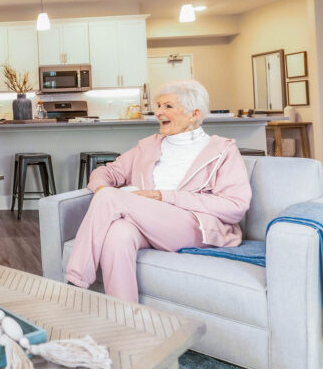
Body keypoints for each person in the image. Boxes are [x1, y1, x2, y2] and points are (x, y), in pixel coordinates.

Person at [65, 79, 251, 303]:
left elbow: (235, 207)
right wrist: (103, 188)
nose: (158, 112)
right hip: (147, 223)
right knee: (118, 234)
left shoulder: (222, 150)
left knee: (110, 199)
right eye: (159, 105)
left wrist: (164, 196)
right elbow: (105, 173)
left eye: (168, 106)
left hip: (195, 226)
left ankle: (73, 284)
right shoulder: (149, 145)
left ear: (194, 114)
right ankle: (125, 318)